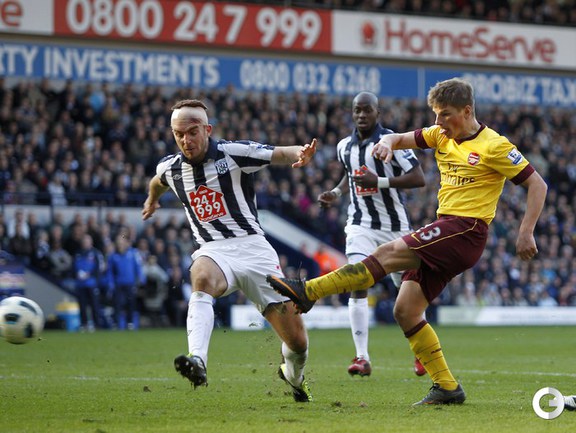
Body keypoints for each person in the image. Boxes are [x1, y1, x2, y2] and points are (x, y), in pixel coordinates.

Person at [268, 78, 548, 406]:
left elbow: (537, 185)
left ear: (467, 111)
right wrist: (388, 144)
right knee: (406, 310)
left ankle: (309, 291)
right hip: (447, 227)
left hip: (466, 229)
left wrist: (525, 231)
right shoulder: (440, 134)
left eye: (445, 114)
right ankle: (447, 387)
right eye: (435, 114)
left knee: (387, 253)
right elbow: (400, 137)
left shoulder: (495, 145)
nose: (437, 121)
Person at [142, 99, 317, 402]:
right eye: (179, 134)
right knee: (201, 276)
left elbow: (276, 153)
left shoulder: (233, 153)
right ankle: (198, 360)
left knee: (298, 343)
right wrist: (152, 199)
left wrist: (299, 153)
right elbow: (158, 181)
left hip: (254, 250)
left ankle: (293, 377)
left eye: (192, 132)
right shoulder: (171, 168)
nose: (186, 140)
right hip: (214, 250)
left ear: (207, 130)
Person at [317, 91, 426, 378]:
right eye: (357, 110)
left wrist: (379, 181)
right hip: (360, 224)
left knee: (409, 292)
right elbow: (350, 173)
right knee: (357, 278)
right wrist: (336, 192)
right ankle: (361, 357)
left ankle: (422, 353)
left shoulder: (393, 141)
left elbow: (418, 178)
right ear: (352, 113)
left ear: (378, 113)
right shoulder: (344, 146)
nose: (362, 115)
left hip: (395, 228)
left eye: (367, 110)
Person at [107, 233, 146, 330]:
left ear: (125, 243)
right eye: (118, 243)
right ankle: (116, 323)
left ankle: (130, 322)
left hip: (130, 283)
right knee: (117, 304)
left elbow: (138, 267)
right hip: (118, 284)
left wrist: (141, 279)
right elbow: (110, 272)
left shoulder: (133, 253)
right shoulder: (113, 256)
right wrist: (110, 283)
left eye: (121, 242)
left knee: (130, 303)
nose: (120, 244)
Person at [73, 233, 106, 331]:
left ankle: (97, 324)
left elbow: (99, 267)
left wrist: (90, 275)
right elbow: (73, 266)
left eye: (87, 241)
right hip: (80, 284)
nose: (85, 243)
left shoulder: (95, 253)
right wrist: (76, 274)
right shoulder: (78, 253)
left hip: (92, 283)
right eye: (84, 241)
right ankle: (84, 323)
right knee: (82, 305)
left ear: (91, 242)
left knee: (94, 304)